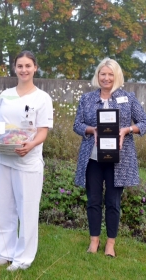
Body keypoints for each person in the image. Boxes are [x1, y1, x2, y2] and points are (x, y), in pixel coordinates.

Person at [0, 51, 53, 271]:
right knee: (2, 207)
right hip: (1, 158)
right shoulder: (5, 95)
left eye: (28, 65)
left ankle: (23, 258)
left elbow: (43, 132)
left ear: (35, 67)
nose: (24, 70)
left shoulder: (42, 98)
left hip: (26, 161)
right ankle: (5, 252)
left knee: (26, 209)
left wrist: (31, 145)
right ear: (14, 68)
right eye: (20, 66)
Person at [73, 58, 146, 257]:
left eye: (110, 74)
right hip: (93, 159)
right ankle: (94, 241)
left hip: (118, 161)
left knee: (113, 202)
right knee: (93, 200)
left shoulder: (128, 98)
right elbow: (77, 125)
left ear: (117, 76)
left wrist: (127, 130)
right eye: (103, 74)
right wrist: (92, 130)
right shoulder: (87, 98)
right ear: (98, 76)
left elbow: (144, 122)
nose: (106, 78)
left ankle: (110, 244)